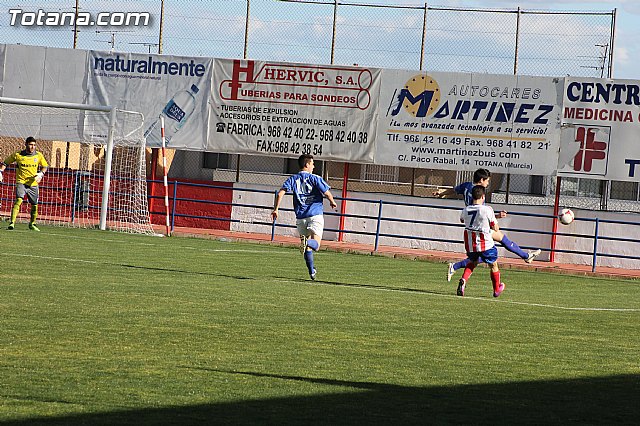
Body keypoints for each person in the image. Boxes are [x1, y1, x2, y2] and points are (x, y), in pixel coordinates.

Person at [433, 168, 541, 282]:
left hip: (472, 226)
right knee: (498, 244)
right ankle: (456, 266)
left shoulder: (466, 186)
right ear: (481, 180)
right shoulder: (478, 192)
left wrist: (441, 192)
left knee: (490, 249)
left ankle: (526, 256)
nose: (488, 183)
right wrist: (496, 217)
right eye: (487, 181)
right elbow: (481, 212)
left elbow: (454, 190)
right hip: (480, 227)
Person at [272, 154, 337, 280]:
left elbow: (280, 193)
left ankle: (312, 271)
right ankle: (309, 249)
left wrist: (276, 209)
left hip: (301, 218)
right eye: (312, 163)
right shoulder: (315, 178)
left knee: (307, 248)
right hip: (315, 215)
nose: (314, 166)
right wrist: (332, 201)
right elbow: (327, 192)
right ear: (307, 165)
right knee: (315, 245)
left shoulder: (293, 179)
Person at [457, 185, 505, 298]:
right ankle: (496, 289)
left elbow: (461, 220)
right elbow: (496, 228)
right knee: (493, 265)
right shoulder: (487, 209)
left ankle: (463, 280)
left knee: (472, 262)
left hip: (471, 244)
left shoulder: (466, 209)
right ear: (483, 196)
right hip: (485, 243)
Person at [0, 136, 49, 231]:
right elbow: (5, 163)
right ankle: (12, 223)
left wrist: (41, 174)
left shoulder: (38, 155)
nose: (32, 147)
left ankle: (32, 224)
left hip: (33, 184)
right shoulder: (18, 155)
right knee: (19, 200)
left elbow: (45, 166)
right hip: (21, 182)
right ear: (26, 144)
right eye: (31, 144)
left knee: (34, 205)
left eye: (34, 145)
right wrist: (0, 172)